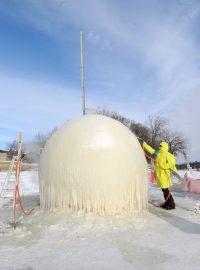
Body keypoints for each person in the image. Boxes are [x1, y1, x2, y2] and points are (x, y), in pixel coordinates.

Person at [143, 141, 176, 210]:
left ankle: (171, 204)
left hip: (165, 175)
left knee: (165, 189)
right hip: (159, 175)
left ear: (165, 147)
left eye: (161, 146)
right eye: (159, 146)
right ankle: (167, 203)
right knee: (164, 190)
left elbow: (172, 164)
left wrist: (163, 165)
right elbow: (151, 150)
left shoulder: (168, 155)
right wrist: (144, 144)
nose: (159, 147)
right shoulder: (158, 153)